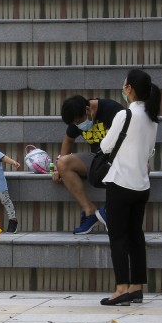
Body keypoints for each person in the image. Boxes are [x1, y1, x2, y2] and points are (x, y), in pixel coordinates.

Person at [99, 69, 160, 306]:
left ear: (130, 89)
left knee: (118, 236)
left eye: (124, 84)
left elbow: (105, 146)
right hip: (141, 185)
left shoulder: (124, 115)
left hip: (120, 183)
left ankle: (121, 289)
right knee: (136, 235)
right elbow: (150, 152)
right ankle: (136, 287)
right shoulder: (152, 117)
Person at [58, 95, 124, 234]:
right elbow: (68, 140)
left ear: (88, 109)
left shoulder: (112, 110)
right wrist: (58, 171)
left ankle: (110, 210)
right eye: (75, 124)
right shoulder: (77, 117)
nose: (79, 125)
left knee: (144, 168)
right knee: (63, 163)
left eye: (79, 121)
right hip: (97, 158)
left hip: (119, 157)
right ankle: (90, 212)